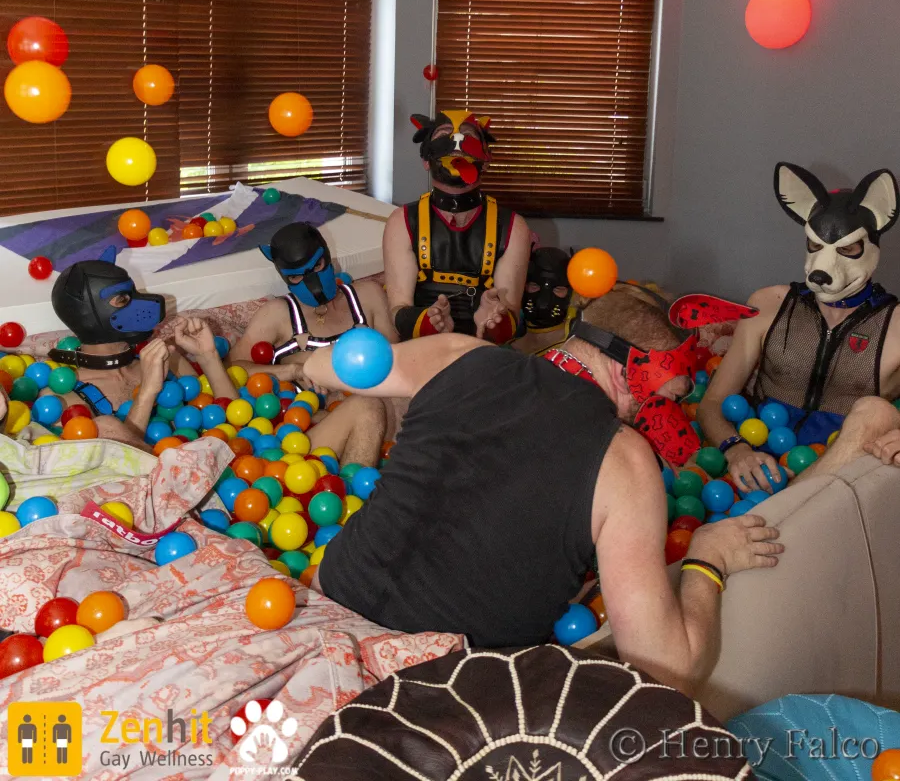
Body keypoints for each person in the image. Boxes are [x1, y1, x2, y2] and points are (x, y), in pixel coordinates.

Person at [301, 297, 783, 696]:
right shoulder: (627, 461)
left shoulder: (460, 353)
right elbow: (668, 672)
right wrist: (707, 558)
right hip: (436, 683)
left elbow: (322, 366)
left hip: (325, 609)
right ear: (628, 373)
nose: (659, 414)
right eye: (665, 398)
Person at [699, 162, 900, 493]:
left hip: (835, 483)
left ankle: (786, 509)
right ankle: (781, 512)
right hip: (756, 464)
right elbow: (712, 403)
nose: (825, 265)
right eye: (815, 245)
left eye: (848, 248)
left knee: (878, 413)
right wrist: (737, 450)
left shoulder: (895, 324)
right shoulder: (769, 304)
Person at [228, 222, 397, 465]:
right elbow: (231, 370)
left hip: (382, 425)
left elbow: (399, 359)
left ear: (327, 256)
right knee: (367, 407)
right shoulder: (277, 314)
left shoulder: (367, 295)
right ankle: (361, 489)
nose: (313, 284)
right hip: (308, 436)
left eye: (317, 266)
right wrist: (292, 370)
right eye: (296, 276)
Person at [44, 250, 239, 450]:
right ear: (88, 313)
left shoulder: (168, 359)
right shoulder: (64, 399)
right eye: (123, 299)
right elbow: (114, 463)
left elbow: (236, 429)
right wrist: (147, 393)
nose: (147, 302)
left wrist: (208, 357)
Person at [383, 109, 531, 342]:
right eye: (444, 134)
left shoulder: (514, 227)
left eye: (467, 135)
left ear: (486, 159)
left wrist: (495, 322)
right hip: (421, 349)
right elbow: (397, 310)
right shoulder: (401, 222)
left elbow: (508, 317)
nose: (457, 140)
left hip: (482, 351)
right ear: (425, 160)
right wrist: (428, 322)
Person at [513, 245, 579, 355]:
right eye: (534, 286)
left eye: (558, 289)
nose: (543, 302)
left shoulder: (576, 352)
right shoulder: (506, 348)